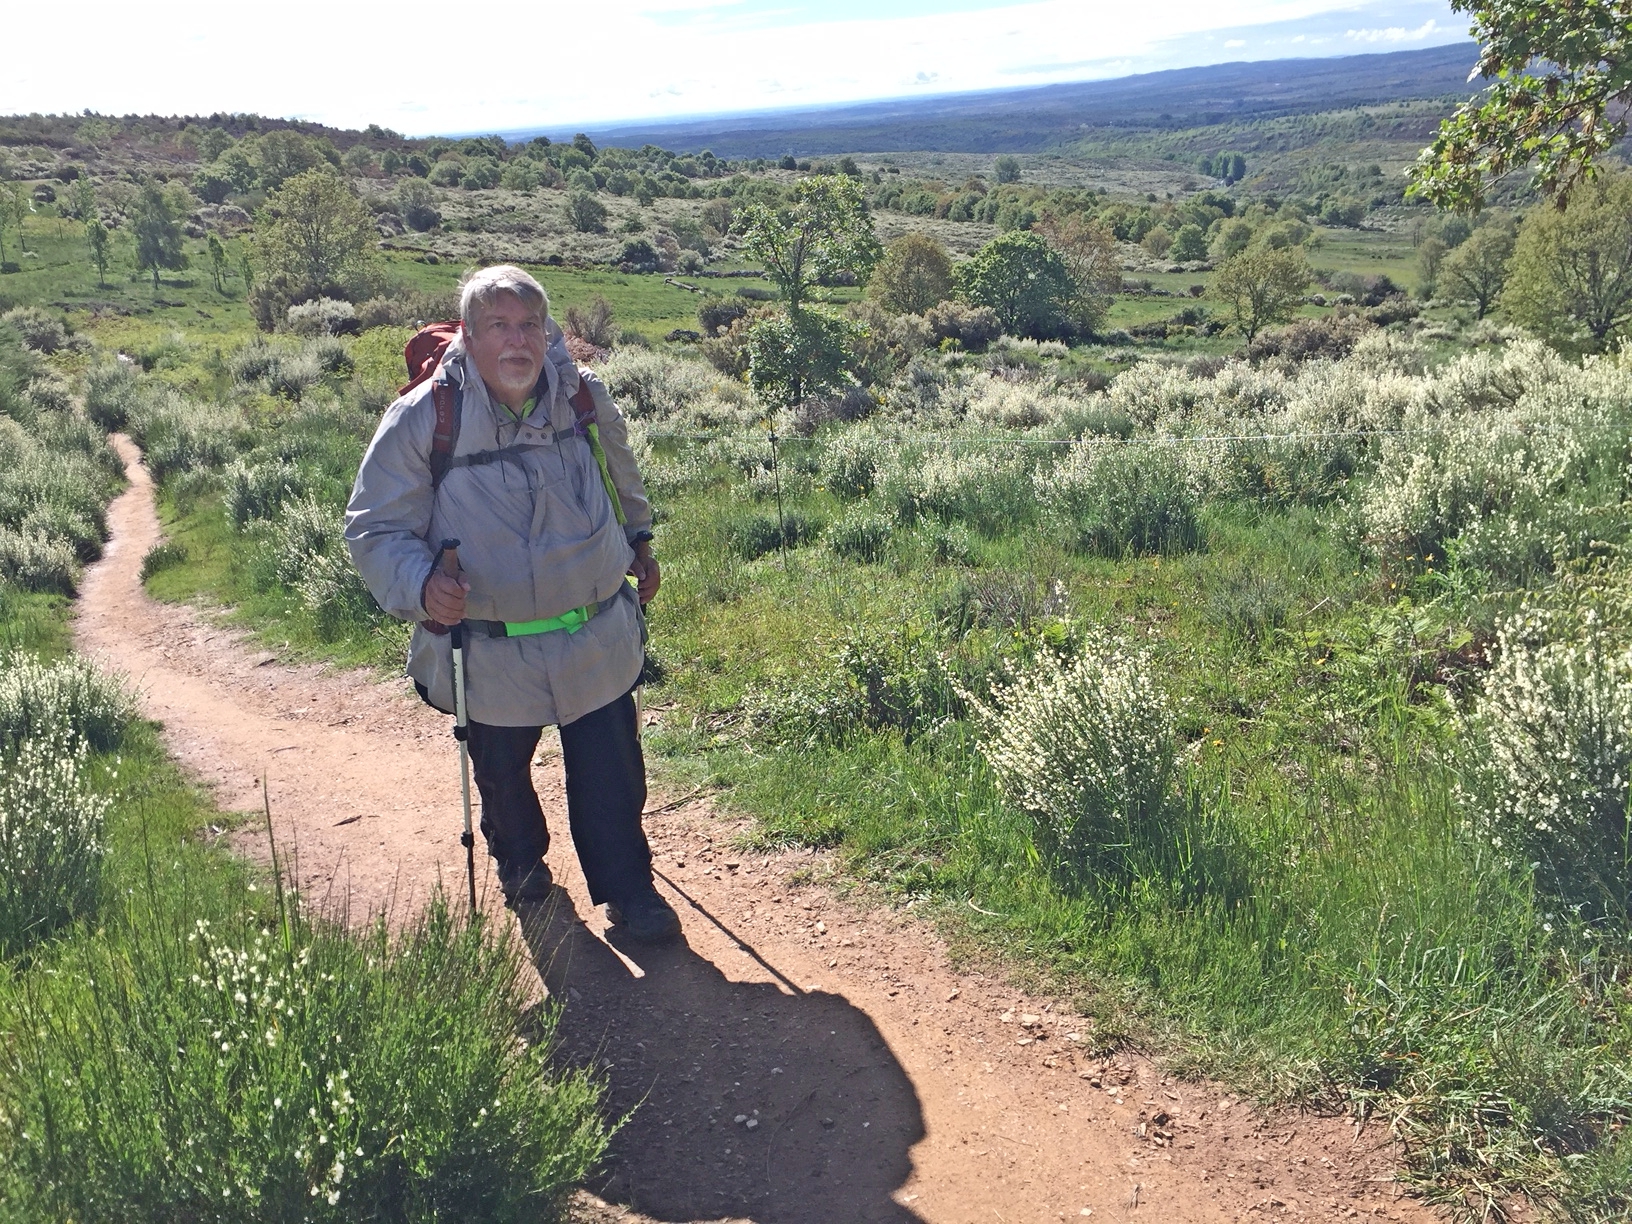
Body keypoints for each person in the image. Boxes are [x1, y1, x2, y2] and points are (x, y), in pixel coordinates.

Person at [345, 264, 680, 942]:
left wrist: (639, 542)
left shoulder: (583, 396)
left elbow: (623, 475)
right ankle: (520, 863)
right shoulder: (423, 418)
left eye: (529, 324)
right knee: (501, 775)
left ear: (548, 330)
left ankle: (630, 891)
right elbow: (374, 529)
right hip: (488, 646)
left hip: (595, 631)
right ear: (469, 335)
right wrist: (420, 587)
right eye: (498, 325)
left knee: (613, 772)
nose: (517, 342)